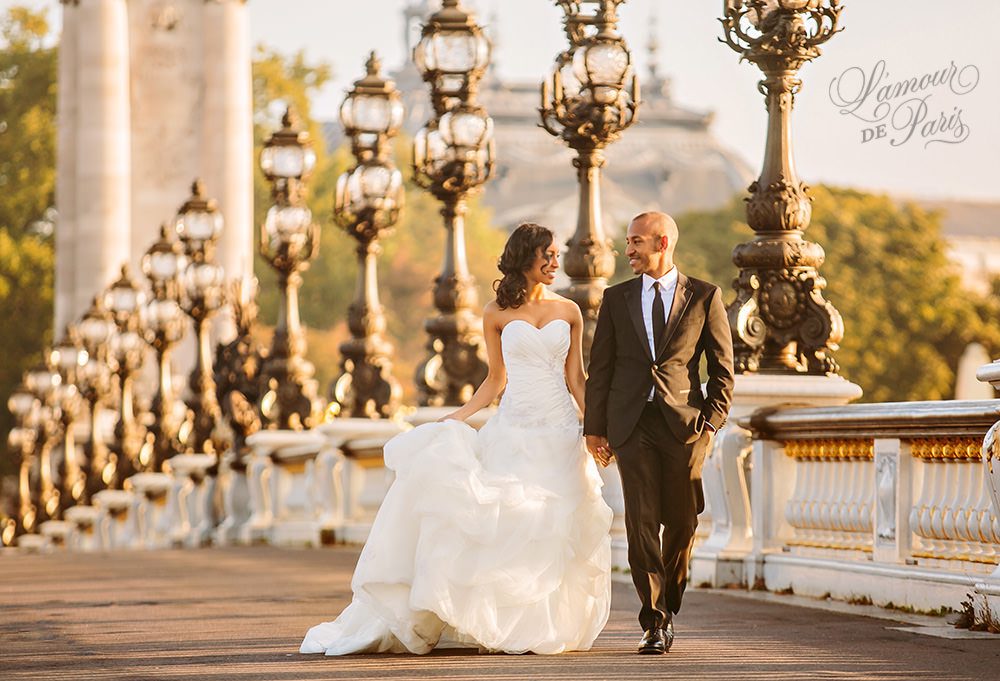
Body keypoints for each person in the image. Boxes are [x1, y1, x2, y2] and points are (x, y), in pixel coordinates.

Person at [300, 223, 613, 656]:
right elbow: (495, 381)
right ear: (526, 258)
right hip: (516, 429)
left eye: (558, 255)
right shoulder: (495, 314)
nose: (557, 262)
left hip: (561, 431)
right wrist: (454, 419)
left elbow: (577, 379)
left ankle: (544, 624)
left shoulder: (570, 312)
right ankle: (505, 625)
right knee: (511, 525)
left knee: (556, 526)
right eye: (550, 255)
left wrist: (597, 427)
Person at [584, 211, 734, 655]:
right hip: (631, 426)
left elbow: (723, 368)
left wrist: (711, 421)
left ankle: (668, 602)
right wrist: (595, 430)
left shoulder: (705, 296)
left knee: (683, 523)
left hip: (685, 426)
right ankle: (653, 621)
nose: (627, 249)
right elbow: (601, 369)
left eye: (635, 241)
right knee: (641, 520)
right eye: (627, 241)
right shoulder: (616, 298)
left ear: (662, 242)